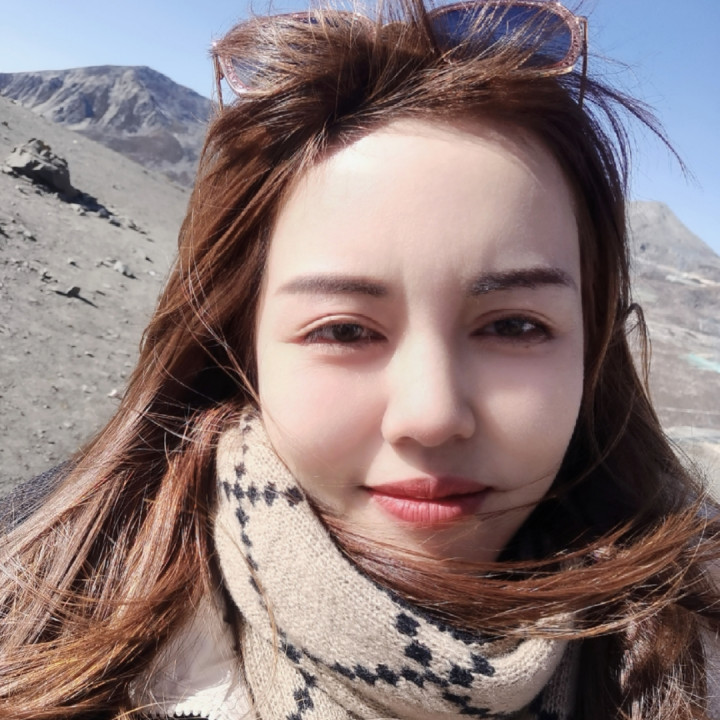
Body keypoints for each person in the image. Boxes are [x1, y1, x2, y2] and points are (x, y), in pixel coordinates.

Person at [1, 1, 719, 718]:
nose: (431, 416)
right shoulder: (35, 612)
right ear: (240, 343)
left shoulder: (700, 639)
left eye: (514, 326)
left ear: (592, 348)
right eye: (344, 330)